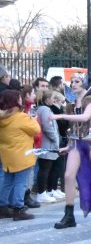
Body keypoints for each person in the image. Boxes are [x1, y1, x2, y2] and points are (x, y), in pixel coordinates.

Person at [50, 75, 91, 228]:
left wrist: (59, 115)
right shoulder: (72, 104)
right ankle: (69, 216)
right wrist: (68, 146)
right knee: (68, 176)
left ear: (84, 85)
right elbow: (74, 127)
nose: (73, 84)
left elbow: (85, 117)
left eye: (77, 81)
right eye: (72, 82)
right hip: (77, 143)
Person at [0, 89, 40, 220]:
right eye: (19, 98)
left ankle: (3, 207)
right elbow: (36, 130)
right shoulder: (21, 117)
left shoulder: (2, 118)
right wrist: (33, 119)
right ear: (15, 101)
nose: (21, 99)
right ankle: (18, 208)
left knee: (8, 182)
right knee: (21, 183)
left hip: (7, 155)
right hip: (22, 155)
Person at [34, 90, 62, 203]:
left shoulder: (44, 109)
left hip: (48, 143)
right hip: (47, 144)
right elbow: (48, 126)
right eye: (53, 98)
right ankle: (41, 192)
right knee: (45, 169)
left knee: (47, 168)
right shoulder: (45, 110)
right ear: (47, 99)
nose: (54, 100)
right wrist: (55, 140)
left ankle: (46, 191)